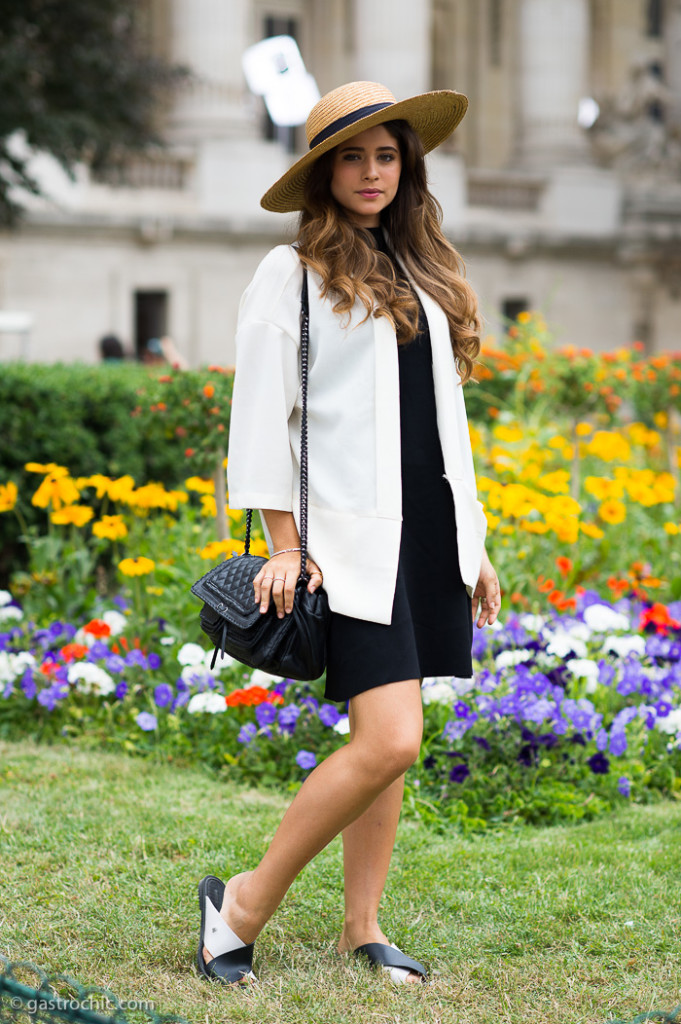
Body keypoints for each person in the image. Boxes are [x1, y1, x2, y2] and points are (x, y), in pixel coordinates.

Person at [196, 80, 501, 987]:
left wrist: (472, 544)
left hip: (426, 532)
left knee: (390, 734)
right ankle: (240, 903)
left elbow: (439, 422)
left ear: (406, 167)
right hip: (345, 542)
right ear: (321, 170)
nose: (371, 172)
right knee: (390, 740)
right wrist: (285, 544)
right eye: (351, 156)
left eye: (386, 155)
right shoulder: (287, 275)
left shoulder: (418, 272)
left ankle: (359, 927)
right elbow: (261, 423)